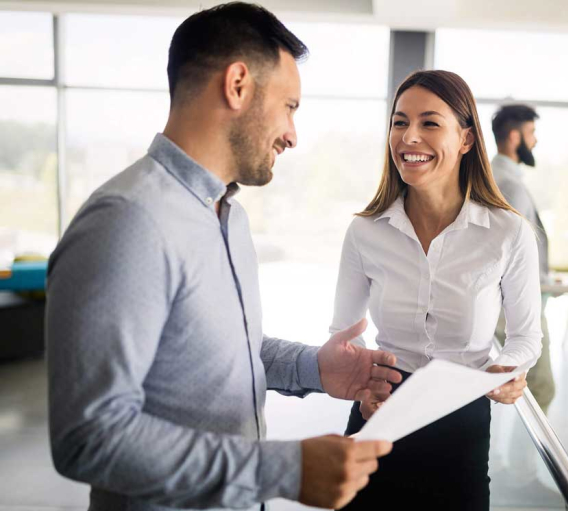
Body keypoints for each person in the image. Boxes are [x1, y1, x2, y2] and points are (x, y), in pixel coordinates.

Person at [45, 4, 401, 510]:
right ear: (237, 85)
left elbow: (227, 350)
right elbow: (88, 437)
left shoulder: (229, 217)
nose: (293, 134)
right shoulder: (125, 223)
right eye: (290, 106)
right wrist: (284, 469)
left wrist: (314, 369)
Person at [330, 70, 543, 510]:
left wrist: (506, 369)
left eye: (429, 123)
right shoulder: (365, 231)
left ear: (466, 139)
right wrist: (360, 385)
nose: (409, 137)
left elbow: (526, 336)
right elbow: (343, 334)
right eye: (399, 122)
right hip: (380, 410)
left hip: (460, 421)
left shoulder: (507, 233)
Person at [487, 103, 558, 504]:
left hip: (508, 303)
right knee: (541, 386)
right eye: (531, 133)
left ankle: (511, 467)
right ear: (514, 136)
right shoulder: (509, 183)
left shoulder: (499, 176)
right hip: (515, 308)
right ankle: (519, 471)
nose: (534, 141)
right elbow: (517, 251)